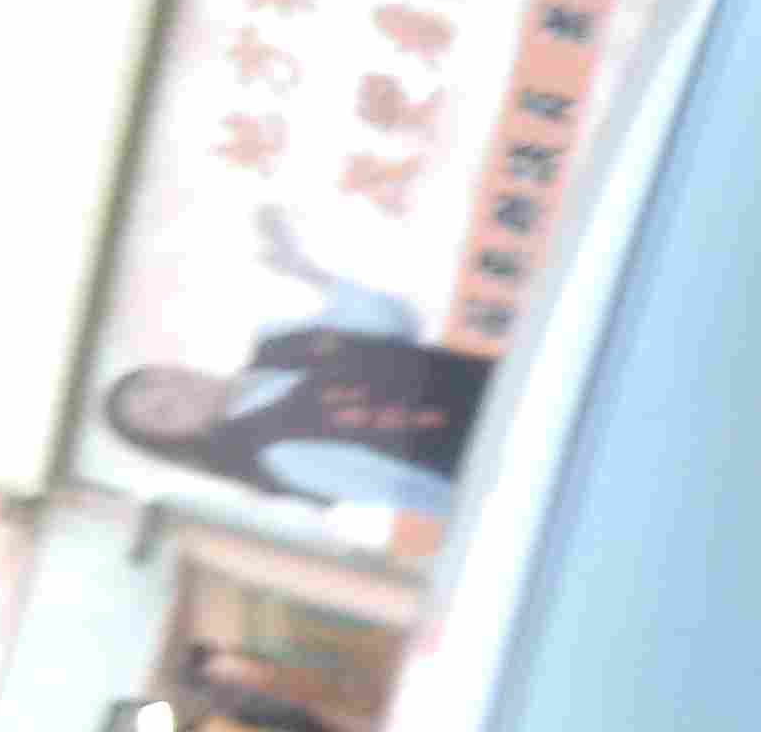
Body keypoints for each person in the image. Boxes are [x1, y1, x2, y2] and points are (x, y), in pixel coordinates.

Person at [97, 204, 487, 512]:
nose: (178, 391)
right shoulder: (276, 454)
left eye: (162, 380)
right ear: (179, 439)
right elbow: (412, 488)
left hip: (491, 382)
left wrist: (305, 270)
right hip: (489, 458)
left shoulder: (275, 343)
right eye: (164, 411)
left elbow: (395, 321)